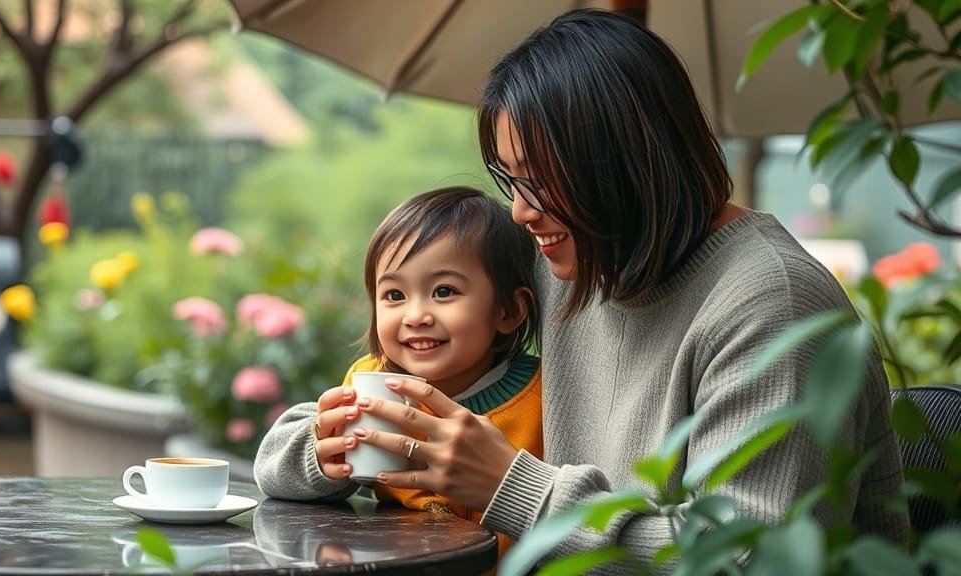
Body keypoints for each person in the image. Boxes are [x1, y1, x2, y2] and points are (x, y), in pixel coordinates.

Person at [313, 8, 908, 572]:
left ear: (624, 162)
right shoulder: (574, 255)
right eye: (508, 180)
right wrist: (323, 445)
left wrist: (513, 488)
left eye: (538, 181)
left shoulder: (773, 305)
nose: (519, 212)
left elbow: (747, 559)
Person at [254, 186, 543, 560]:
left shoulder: (541, 399)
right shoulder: (372, 381)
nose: (415, 316)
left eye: (444, 291)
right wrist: (321, 454)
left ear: (509, 311)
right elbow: (269, 469)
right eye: (394, 295)